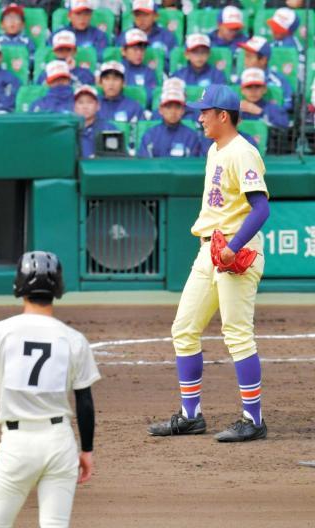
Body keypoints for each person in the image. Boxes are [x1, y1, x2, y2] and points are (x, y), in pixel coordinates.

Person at [148, 84, 271, 443]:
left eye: (204, 111)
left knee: (237, 334)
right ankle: (191, 415)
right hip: (210, 251)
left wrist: (234, 245)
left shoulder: (242, 152)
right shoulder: (216, 150)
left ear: (223, 115)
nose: (198, 117)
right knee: (184, 328)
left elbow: (261, 207)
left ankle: (253, 419)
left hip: (237, 253)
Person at [0, 251, 99, 528]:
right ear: (58, 288)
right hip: (59, 443)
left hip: (16, 445)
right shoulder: (74, 339)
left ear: (19, 286)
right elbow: (85, 403)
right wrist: (86, 450)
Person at [138, 86, 202, 158]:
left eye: (177, 107)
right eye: (169, 107)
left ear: (183, 110)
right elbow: (144, 165)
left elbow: (193, 166)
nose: (173, 111)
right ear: (160, 110)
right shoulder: (149, 134)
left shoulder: (191, 136)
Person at [239, 36, 293, 113]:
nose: (245, 61)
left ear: (263, 60)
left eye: (249, 57)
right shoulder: (240, 78)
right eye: (245, 56)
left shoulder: (279, 80)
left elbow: (288, 105)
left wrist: (263, 112)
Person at [74, 85, 119, 159]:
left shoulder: (109, 129)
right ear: (74, 107)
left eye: (89, 102)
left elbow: (116, 161)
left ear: (98, 106)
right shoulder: (69, 131)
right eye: (80, 102)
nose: (85, 106)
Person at [120, 28, 157, 102]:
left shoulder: (148, 72)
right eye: (135, 49)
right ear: (123, 51)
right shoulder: (115, 70)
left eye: (142, 49)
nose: (139, 53)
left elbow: (151, 97)